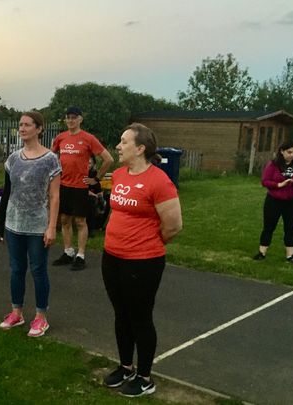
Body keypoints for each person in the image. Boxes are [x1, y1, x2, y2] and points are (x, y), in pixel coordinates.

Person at [102, 123, 182, 397]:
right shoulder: (120, 175)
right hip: (112, 256)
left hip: (143, 262)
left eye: (123, 142)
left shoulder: (159, 180)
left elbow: (173, 226)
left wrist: (144, 243)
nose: (118, 146)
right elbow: (117, 211)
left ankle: (145, 378)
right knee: (121, 315)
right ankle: (126, 367)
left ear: (140, 148)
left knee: (140, 318)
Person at [0, 111, 61, 338]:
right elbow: (7, 193)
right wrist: (0, 223)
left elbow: (54, 197)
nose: (22, 129)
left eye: (27, 125)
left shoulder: (50, 159)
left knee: (38, 270)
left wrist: (52, 226)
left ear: (39, 128)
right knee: (16, 270)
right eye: (20, 125)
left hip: (37, 226)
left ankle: (41, 317)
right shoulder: (13, 159)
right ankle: (16, 313)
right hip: (14, 224)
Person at [51, 106, 114, 270]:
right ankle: (68, 251)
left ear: (80, 119)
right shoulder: (60, 138)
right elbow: (51, 158)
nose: (70, 120)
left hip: (80, 186)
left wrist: (96, 179)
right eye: (68, 117)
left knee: (80, 221)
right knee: (64, 220)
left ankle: (80, 255)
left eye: (74, 117)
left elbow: (108, 159)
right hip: (64, 185)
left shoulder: (88, 138)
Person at [253, 140, 293, 264]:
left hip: (292, 201)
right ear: (282, 151)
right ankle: (262, 252)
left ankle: (290, 256)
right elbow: (265, 181)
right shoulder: (273, 165)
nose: (292, 155)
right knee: (269, 227)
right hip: (274, 201)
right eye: (289, 152)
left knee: (290, 228)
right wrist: (280, 184)